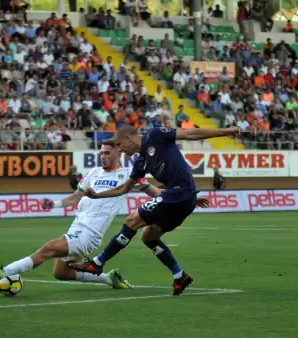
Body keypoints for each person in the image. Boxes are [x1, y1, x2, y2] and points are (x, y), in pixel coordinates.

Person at [71, 125, 239, 295]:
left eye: (120, 145)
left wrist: (225, 132)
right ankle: (179, 276)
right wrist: (97, 195)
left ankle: (96, 264)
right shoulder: (140, 161)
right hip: (182, 198)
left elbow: (190, 133)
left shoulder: (156, 134)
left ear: (128, 139)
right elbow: (123, 188)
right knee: (148, 236)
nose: (120, 149)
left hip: (180, 193)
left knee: (132, 220)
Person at [0, 140, 163, 288]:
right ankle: (110, 279)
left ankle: (4, 271)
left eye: (107, 153)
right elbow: (75, 197)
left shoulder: (129, 175)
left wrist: (178, 194)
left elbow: (156, 193)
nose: (103, 156)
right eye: (101, 153)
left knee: (48, 248)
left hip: (89, 234)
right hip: (76, 228)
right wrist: (54, 204)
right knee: (61, 273)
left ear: (118, 153)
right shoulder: (93, 173)